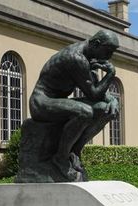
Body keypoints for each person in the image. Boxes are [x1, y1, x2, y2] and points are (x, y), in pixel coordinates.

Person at [29, 30, 120, 181]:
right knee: (84, 112)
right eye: (108, 51)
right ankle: (60, 158)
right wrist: (110, 74)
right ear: (96, 44)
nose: (110, 56)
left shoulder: (89, 57)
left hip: (58, 102)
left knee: (106, 110)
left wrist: (113, 100)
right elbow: (94, 94)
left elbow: (99, 91)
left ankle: (75, 151)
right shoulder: (76, 58)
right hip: (41, 102)